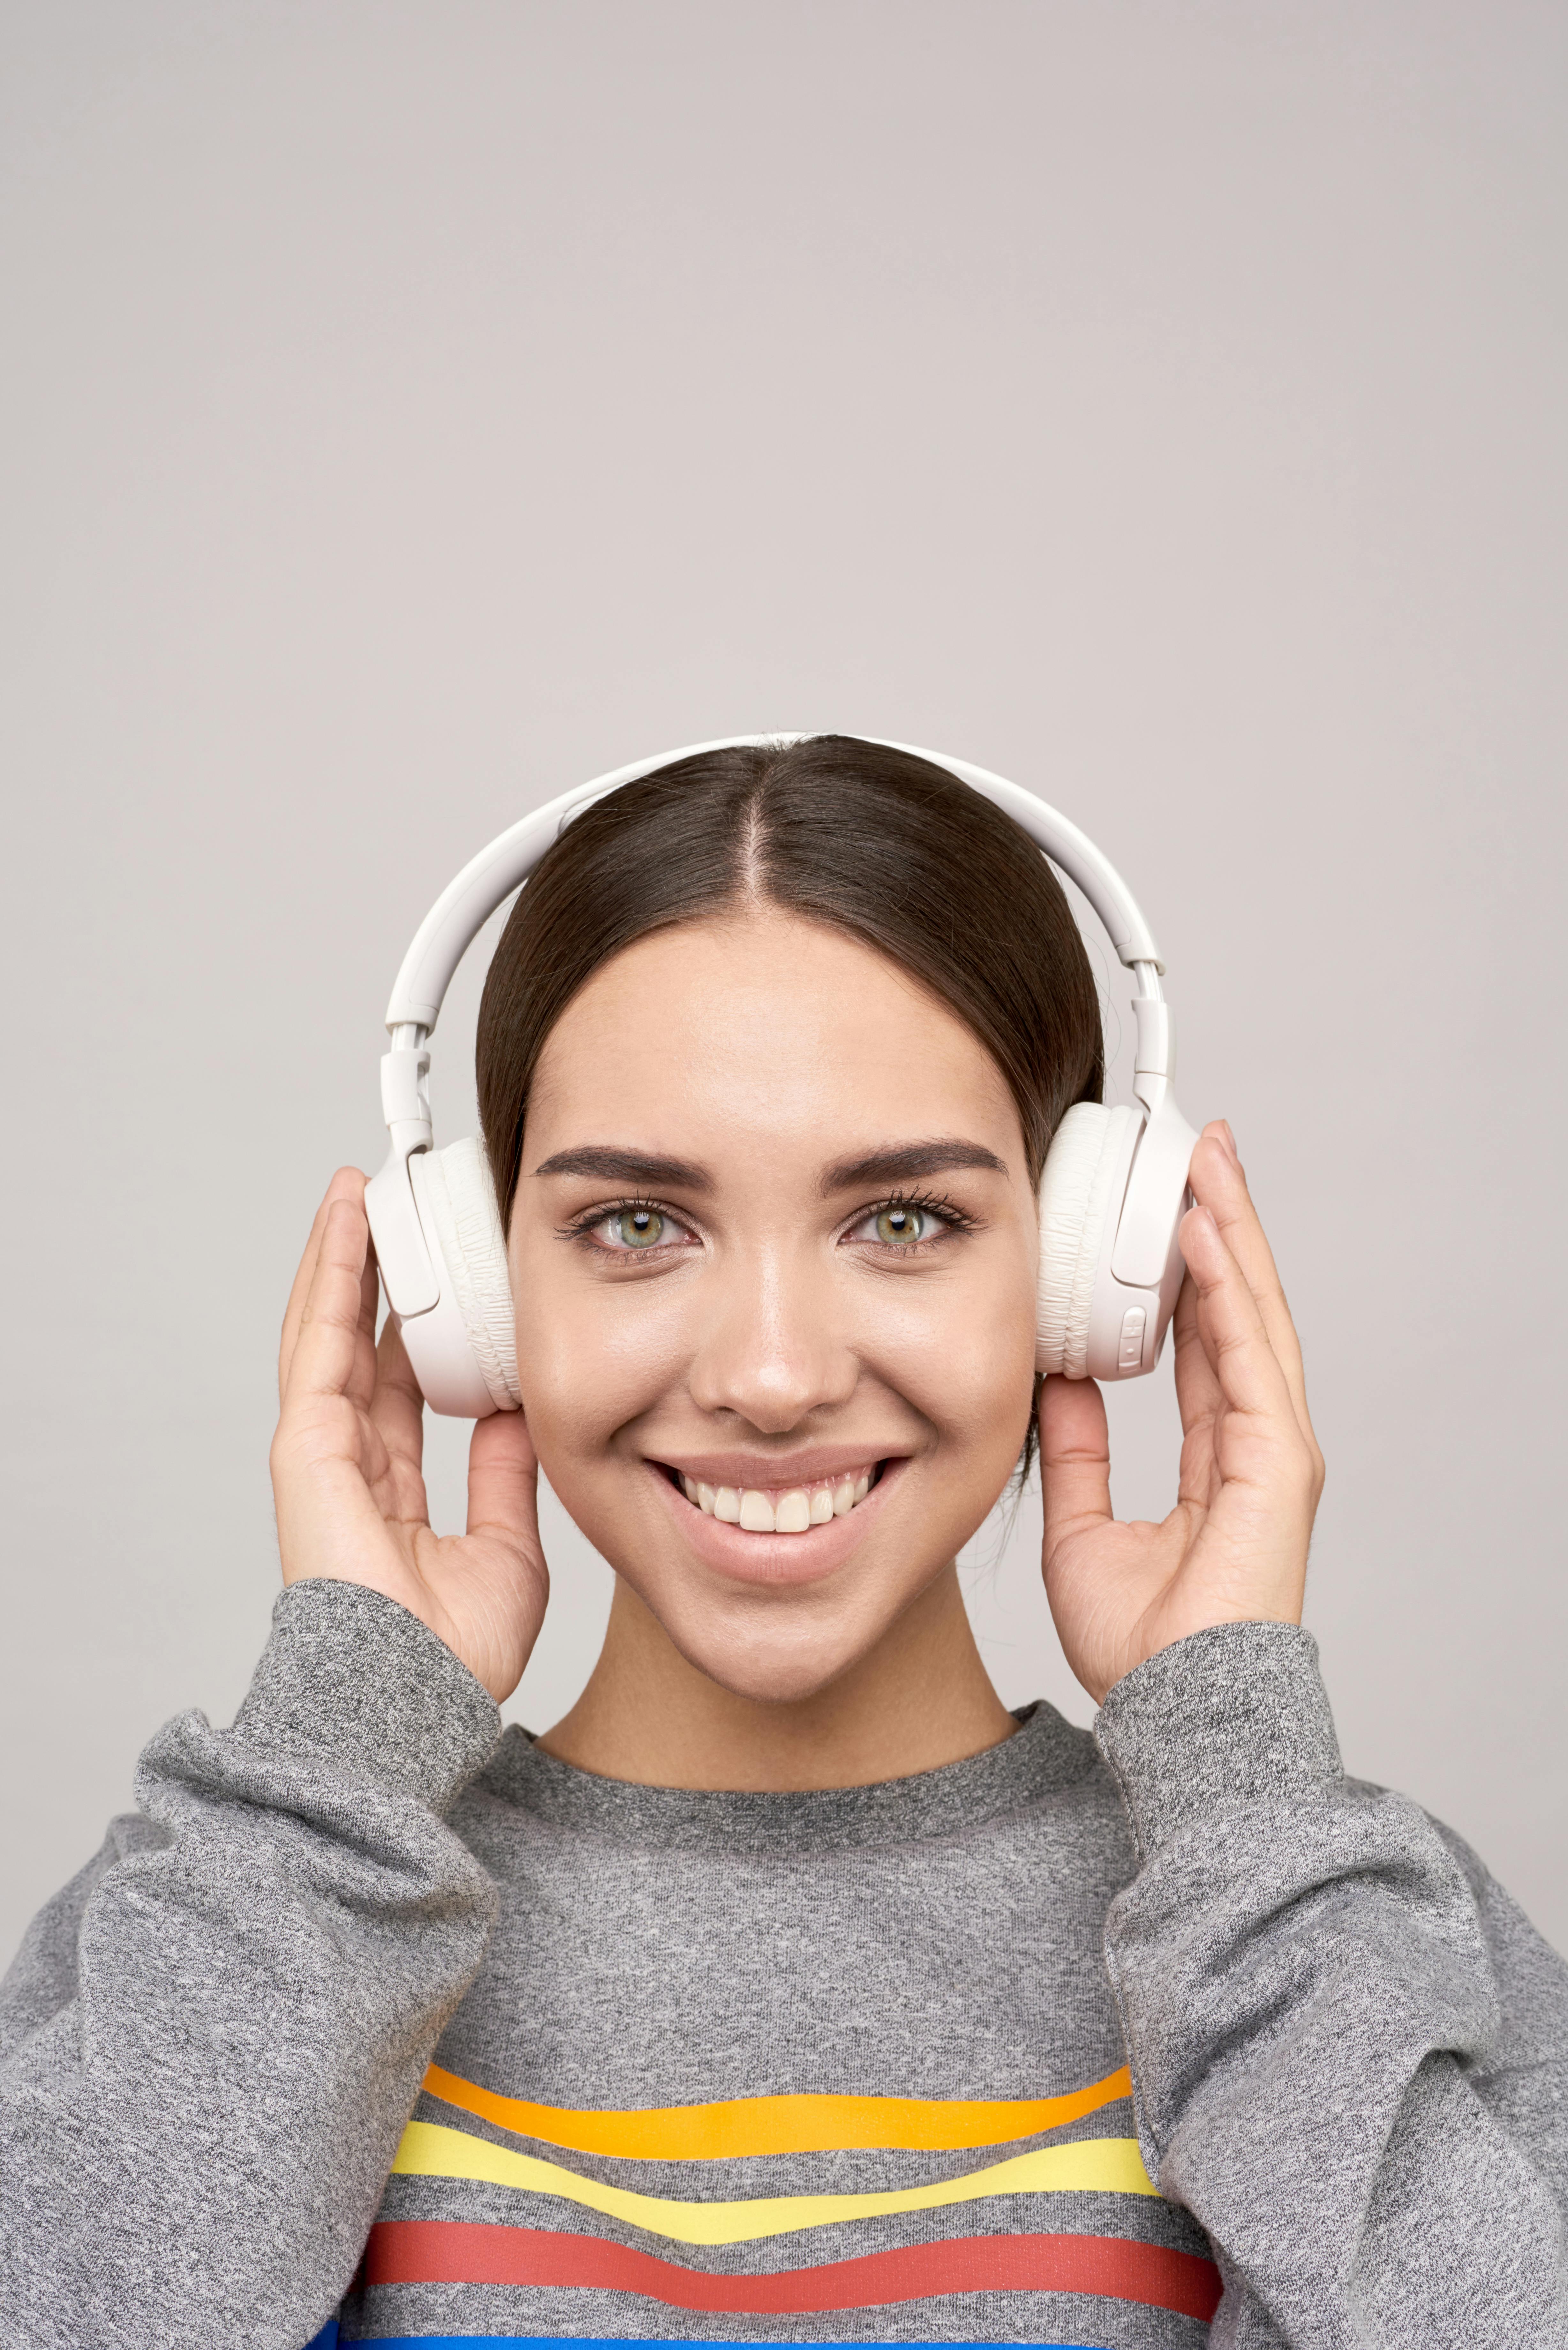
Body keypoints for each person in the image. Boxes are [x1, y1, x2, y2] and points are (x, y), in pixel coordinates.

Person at [2, 736, 1564, 2350]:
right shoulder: (240, 1925)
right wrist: (337, 1751)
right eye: (636, 1224)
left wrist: (1235, 1769)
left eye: (904, 1221)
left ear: (1087, 1274)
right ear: (470, 1291)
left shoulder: (1318, 1918)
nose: (769, 1375)